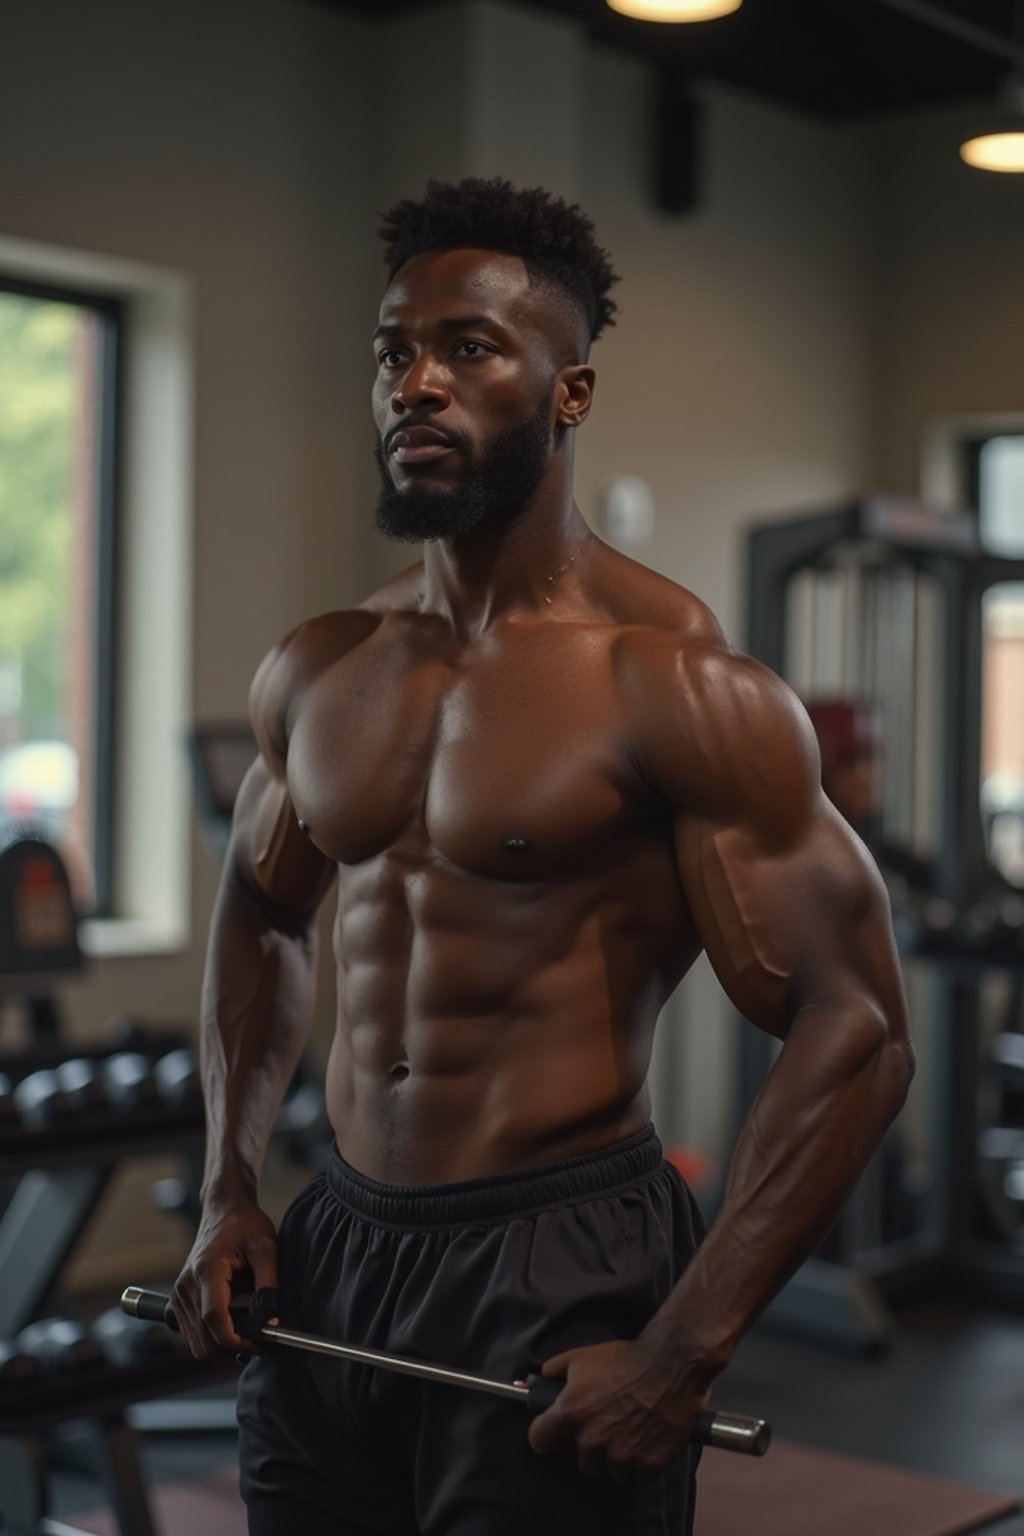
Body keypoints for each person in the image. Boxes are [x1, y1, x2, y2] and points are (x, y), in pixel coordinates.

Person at [172, 177, 914, 1536]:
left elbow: (855, 1023)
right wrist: (228, 1190)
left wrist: (686, 1347)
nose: (416, 385)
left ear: (569, 393)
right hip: (338, 1237)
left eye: (468, 348)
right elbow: (263, 915)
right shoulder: (325, 665)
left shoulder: (677, 684)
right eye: (395, 351)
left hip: (558, 1253)